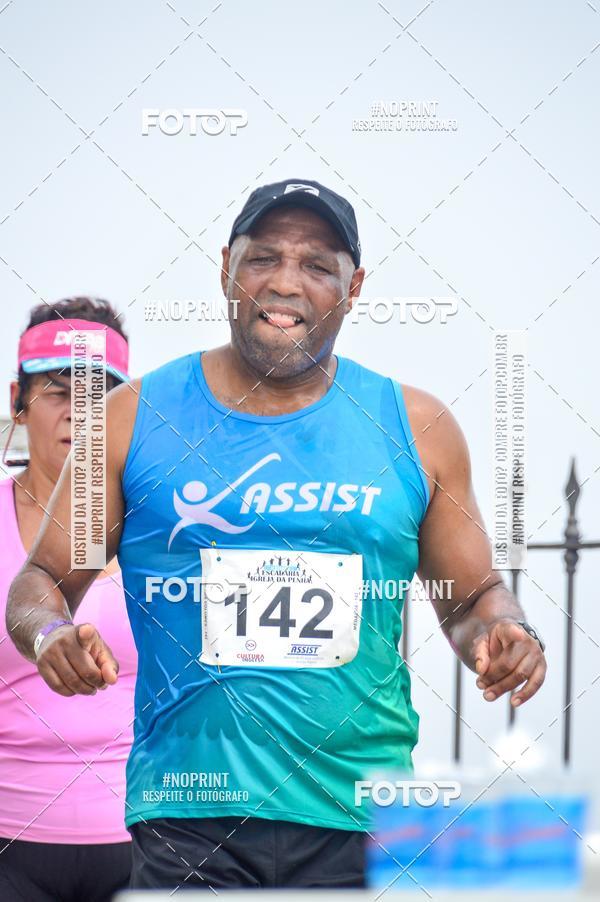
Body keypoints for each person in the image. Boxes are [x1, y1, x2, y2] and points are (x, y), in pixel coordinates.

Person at [6, 180, 547, 891]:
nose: (286, 283)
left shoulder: (417, 427)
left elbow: (472, 594)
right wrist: (51, 635)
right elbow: (43, 579)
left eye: (318, 266)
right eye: (265, 258)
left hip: (366, 810)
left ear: (353, 289)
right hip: (189, 814)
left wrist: (501, 634)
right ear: (226, 264)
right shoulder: (133, 418)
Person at [1, 298, 137, 901]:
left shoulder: (166, 532)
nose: (80, 413)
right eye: (59, 392)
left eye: (99, 395)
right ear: (17, 403)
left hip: (151, 845)